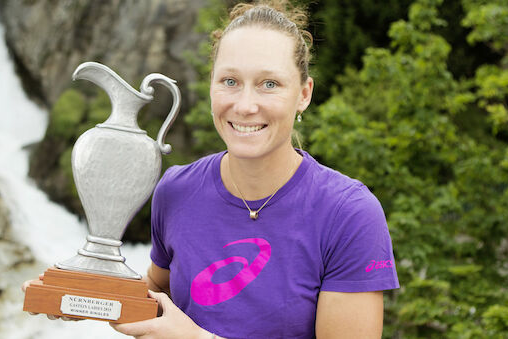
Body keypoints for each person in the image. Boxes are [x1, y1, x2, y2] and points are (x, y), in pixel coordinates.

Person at [24, 1, 399, 338]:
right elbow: (159, 297)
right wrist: (83, 294)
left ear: (304, 93)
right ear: (210, 86)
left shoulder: (349, 214)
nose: (245, 105)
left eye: (269, 84)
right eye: (230, 81)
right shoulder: (176, 190)